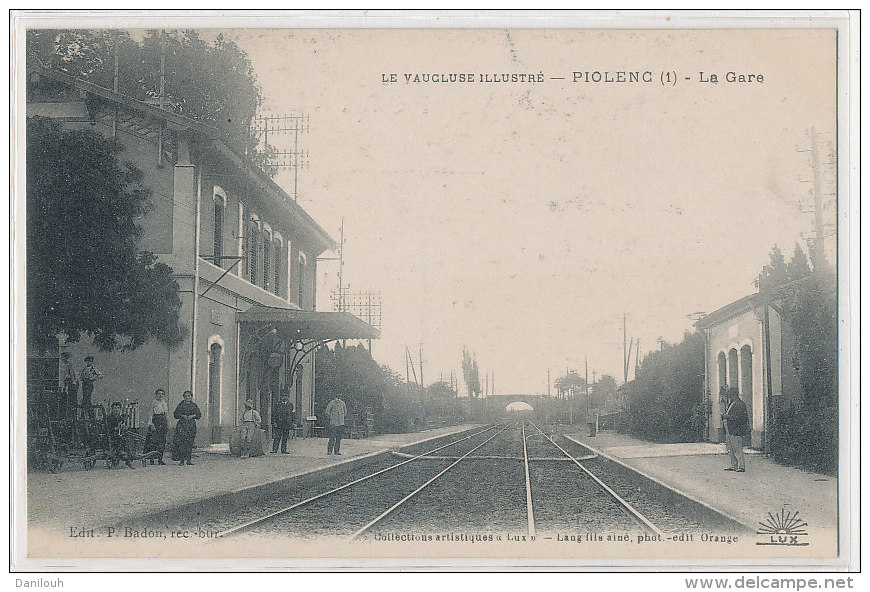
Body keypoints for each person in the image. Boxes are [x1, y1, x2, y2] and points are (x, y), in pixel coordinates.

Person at [722, 387, 749, 473]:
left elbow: (740, 418)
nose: (729, 397)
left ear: (734, 395)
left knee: (737, 448)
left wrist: (727, 417)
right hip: (730, 429)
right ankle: (734, 465)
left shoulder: (740, 404)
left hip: (736, 429)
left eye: (731, 395)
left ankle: (741, 466)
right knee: (730, 448)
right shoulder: (732, 403)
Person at [173, 390, 201, 466]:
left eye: (189, 396)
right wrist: (182, 415)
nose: (187, 397)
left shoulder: (194, 405)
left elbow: (199, 415)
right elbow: (175, 414)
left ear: (191, 397)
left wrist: (193, 416)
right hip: (182, 425)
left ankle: (189, 460)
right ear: (184, 397)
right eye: (186, 396)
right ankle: (181, 460)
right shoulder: (181, 405)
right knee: (181, 442)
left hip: (191, 425)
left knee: (190, 442)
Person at [106, 402, 135, 469]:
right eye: (115, 408)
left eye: (118, 408)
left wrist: (124, 427)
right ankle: (122, 453)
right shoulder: (109, 417)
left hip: (119, 433)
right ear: (112, 409)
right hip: (111, 434)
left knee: (127, 438)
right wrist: (115, 428)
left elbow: (122, 426)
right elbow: (107, 427)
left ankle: (128, 456)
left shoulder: (120, 417)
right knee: (122, 439)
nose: (116, 409)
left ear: (120, 409)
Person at [150, 388, 169, 465]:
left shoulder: (165, 403)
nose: (160, 395)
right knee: (154, 441)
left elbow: (166, 415)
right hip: (156, 421)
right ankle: (152, 459)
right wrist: (151, 424)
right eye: (159, 394)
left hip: (163, 422)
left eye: (162, 394)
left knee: (162, 441)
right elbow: (150, 414)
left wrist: (168, 424)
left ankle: (160, 459)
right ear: (156, 395)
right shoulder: (154, 403)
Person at [60, 352, 79, 419]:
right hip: (68, 382)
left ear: (65, 358)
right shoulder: (65, 365)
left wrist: (73, 382)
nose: (61, 358)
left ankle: (72, 416)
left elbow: (71, 373)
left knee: (71, 400)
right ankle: (68, 416)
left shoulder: (69, 364)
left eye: (62, 357)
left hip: (71, 383)